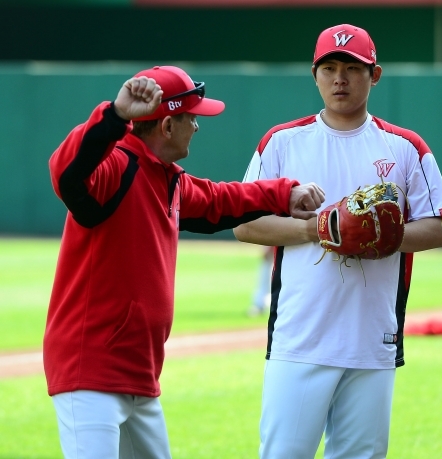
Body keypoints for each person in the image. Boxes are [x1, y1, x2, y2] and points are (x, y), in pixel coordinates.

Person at [44, 65, 324, 459]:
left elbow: (220, 200)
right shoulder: (117, 167)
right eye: (192, 117)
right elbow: (65, 172)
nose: (198, 125)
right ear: (167, 126)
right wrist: (115, 116)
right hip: (89, 373)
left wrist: (284, 195)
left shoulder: (167, 178)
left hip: (139, 375)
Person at [233, 24, 442, 459]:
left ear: (375, 75)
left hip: (372, 339)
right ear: (314, 74)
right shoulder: (282, 142)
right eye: (329, 67)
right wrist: (318, 230)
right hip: (300, 338)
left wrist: (382, 237)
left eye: (353, 68)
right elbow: (244, 224)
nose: (340, 78)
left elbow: (440, 226)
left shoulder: (406, 147)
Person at [249, 246, 274, 316]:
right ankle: (260, 305)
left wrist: (269, 249)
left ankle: (261, 305)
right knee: (265, 282)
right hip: (273, 253)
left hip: (275, 254)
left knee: (268, 283)